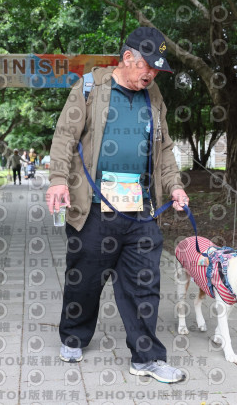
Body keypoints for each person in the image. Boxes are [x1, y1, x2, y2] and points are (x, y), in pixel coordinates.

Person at [46, 26, 189, 384]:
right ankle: (74, 335)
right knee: (85, 280)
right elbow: (64, 136)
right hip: (95, 206)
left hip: (140, 209)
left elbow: (165, 149)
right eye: (147, 66)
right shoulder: (90, 88)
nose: (151, 74)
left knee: (144, 283)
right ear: (127, 57)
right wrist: (58, 179)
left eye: (156, 69)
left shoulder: (153, 96)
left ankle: (147, 358)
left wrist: (174, 186)